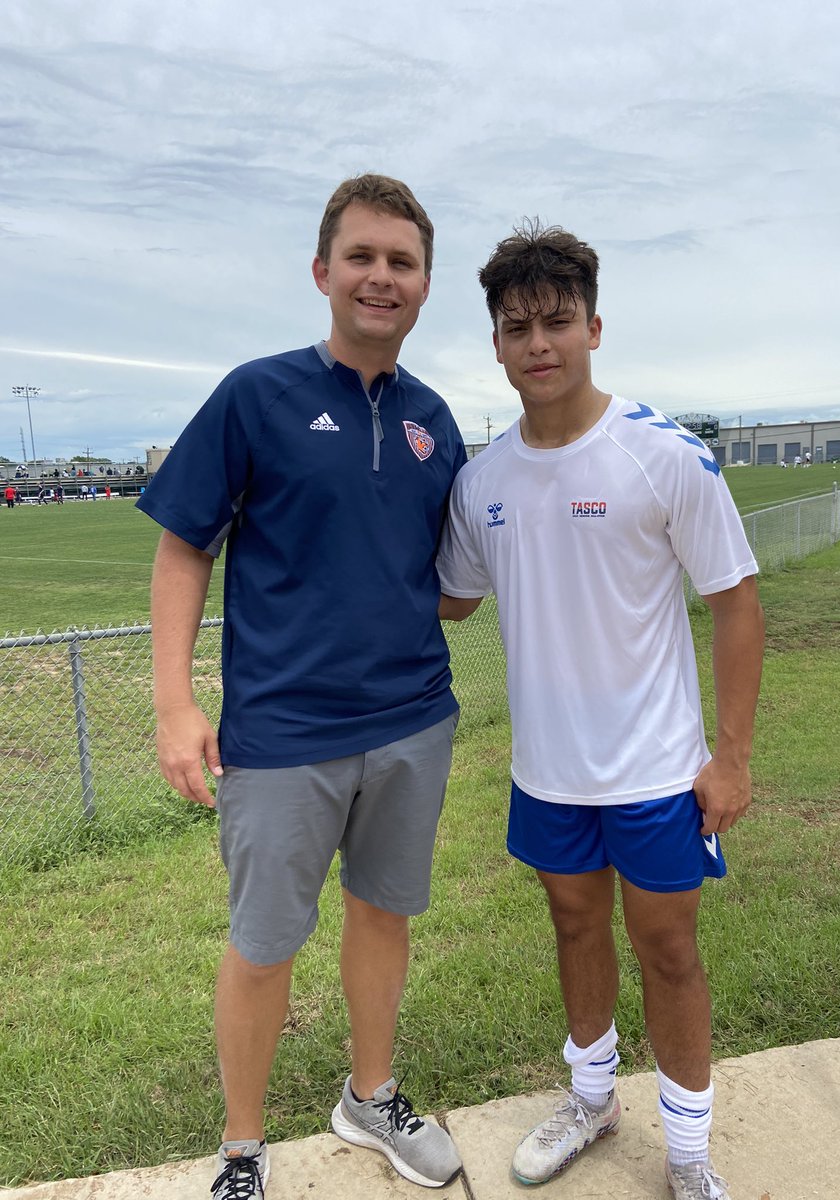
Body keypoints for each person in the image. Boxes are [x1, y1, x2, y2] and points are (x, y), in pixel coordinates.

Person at [136, 174, 468, 1199]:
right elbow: (183, 548)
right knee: (264, 942)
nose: (381, 277)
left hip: (412, 722)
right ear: (323, 273)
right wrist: (175, 704)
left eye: (401, 262)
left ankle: (371, 1098)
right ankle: (242, 1147)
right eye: (361, 257)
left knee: (383, 914)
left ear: (424, 286)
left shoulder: (435, 421)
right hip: (282, 735)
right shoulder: (257, 394)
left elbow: (450, 587)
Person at [438, 223, 764, 1200]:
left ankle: (691, 1154)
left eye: (558, 322)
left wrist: (732, 758)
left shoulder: (664, 457)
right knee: (574, 934)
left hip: (659, 773)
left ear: (594, 328)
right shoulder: (481, 481)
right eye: (517, 327)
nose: (539, 343)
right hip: (548, 773)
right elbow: (450, 599)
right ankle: (591, 1098)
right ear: (495, 346)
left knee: (668, 951)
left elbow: (736, 602)